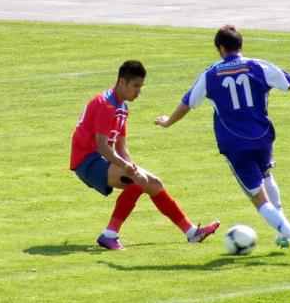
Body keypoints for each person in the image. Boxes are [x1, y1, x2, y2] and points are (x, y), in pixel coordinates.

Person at [155, 25, 290, 264]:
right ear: (240, 45)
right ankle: (280, 233)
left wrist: (168, 122)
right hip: (262, 137)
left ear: (221, 49)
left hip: (235, 144)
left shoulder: (211, 74)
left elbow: (187, 103)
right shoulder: (258, 66)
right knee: (266, 175)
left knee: (260, 201)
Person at [70, 60, 220, 250]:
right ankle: (109, 235)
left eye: (141, 86)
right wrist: (127, 169)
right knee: (139, 181)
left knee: (154, 183)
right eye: (136, 86)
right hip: (87, 161)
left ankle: (191, 233)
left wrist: (131, 167)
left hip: (100, 158)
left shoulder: (122, 107)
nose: (139, 92)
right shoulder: (105, 104)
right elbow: (101, 146)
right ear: (122, 82)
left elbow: (121, 145)